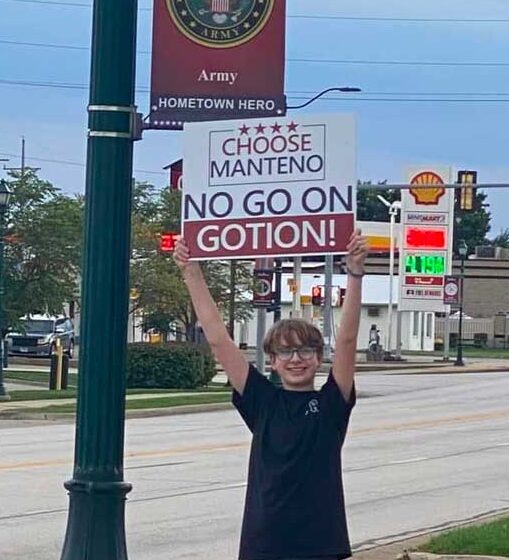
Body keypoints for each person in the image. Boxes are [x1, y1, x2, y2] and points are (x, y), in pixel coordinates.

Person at [174, 229, 368, 560]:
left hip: (321, 546)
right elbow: (219, 340)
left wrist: (354, 273)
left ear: (319, 358)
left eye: (306, 351)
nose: (297, 359)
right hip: (265, 544)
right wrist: (191, 272)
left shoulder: (331, 404)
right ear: (273, 362)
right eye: (286, 352)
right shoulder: (263, 402)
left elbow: (347, 339)